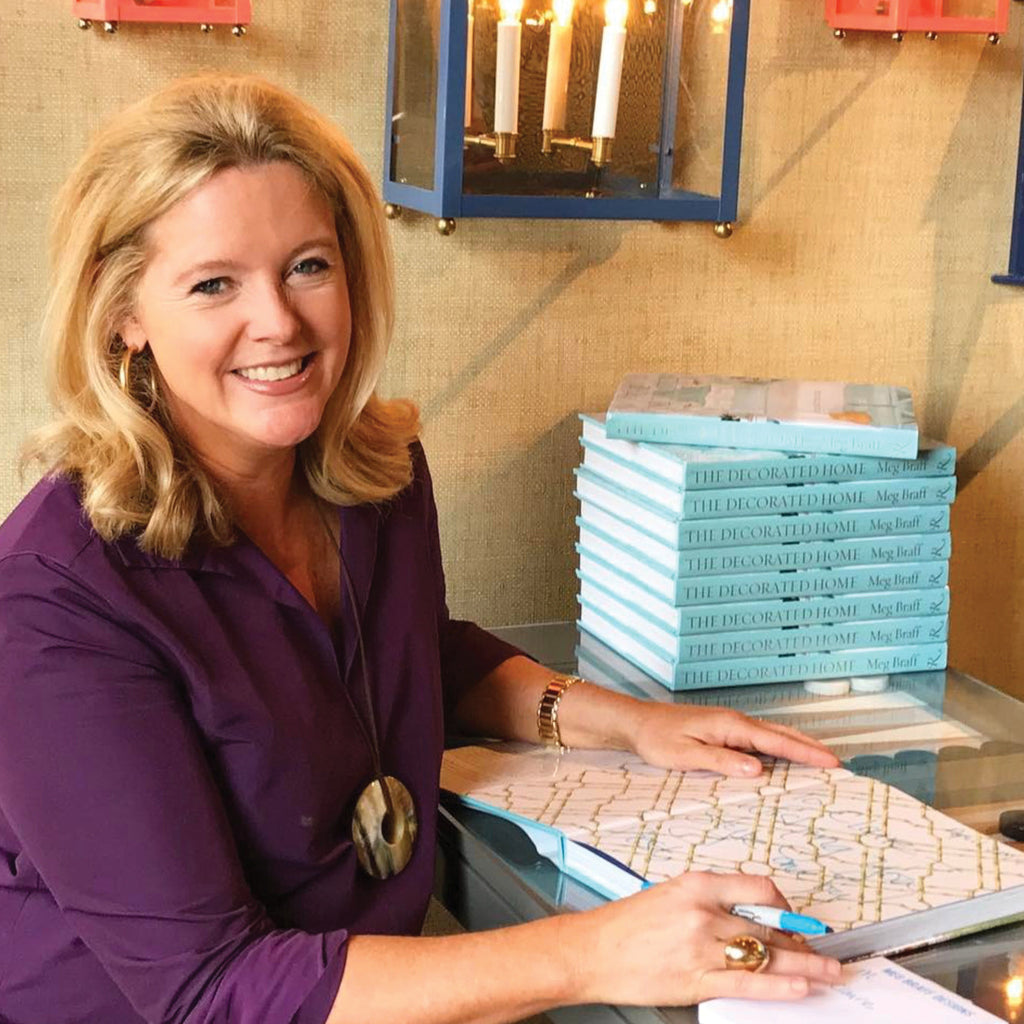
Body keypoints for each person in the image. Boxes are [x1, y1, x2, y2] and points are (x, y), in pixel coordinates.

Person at [0, 74, 842, 1024]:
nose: (278, 320)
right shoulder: (49, 599)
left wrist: (626, 721)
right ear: (126, 319)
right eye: (213, 284)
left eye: (308, 265)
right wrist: (595, 954)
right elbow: (207, 989)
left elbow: (410, 656)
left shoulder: (378, 476)